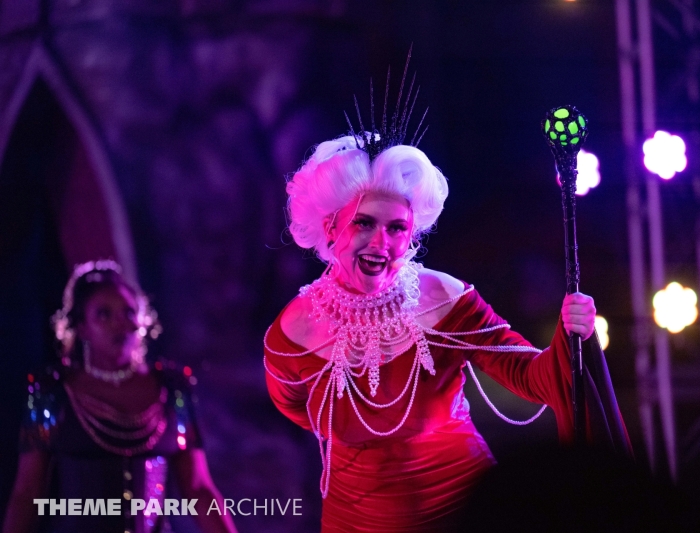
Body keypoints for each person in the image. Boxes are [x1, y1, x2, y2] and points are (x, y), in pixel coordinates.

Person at [263, 67, 630, 532]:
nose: (381, 243)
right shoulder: (291, 334)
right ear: (330, 226)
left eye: (397, 228)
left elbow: (530, 375)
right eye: (364, 223)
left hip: (464, 513)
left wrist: (570, 335)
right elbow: (295, 407)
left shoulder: (443, 298)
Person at [2, 260, 238, 533]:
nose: (120, 324)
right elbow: (28, 493)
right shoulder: (52, 392)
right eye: (104, 314)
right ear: (82, 327)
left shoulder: (172, 389)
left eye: (129, 312)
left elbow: (198, 488)